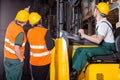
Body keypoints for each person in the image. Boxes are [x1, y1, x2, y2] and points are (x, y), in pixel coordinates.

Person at [71, 2, 116, 79]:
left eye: (95, 9)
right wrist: (86, 36)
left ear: (98, 11)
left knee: (86, 52)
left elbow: (98, 40)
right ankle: (73, 69)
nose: (94, 10)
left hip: (108, 49)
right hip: (104, 46)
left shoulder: (103, 24)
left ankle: (74, 75)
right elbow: (98, 35)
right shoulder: (100, 23)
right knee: (79, 50)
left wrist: (84, 35)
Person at [4, 7, 29, 80]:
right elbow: (16, 49)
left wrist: (25, 12)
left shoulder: (11, 24)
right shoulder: (20, 32)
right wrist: (21, 59)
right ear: (25, 22)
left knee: (9, 77)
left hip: (7, 58)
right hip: (15, 60)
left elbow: (17, 18)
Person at [27, 12, 54, 80]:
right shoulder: (45, 31)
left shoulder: (29, 32)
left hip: (33, 62)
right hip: (43, 63)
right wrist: (53, 41)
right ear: (40, 20)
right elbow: (50, 46)